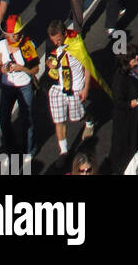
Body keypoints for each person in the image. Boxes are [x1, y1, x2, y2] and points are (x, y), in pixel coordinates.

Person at [45, 19, 91, 165]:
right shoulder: (52, 44)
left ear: (64, 33)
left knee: (77, 116)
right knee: (59, 120)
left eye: (58, 39)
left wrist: (86, 88)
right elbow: (49, 58)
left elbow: (88, 66)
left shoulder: (77, 45)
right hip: (59, 87)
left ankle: (89, 120)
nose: (56, 43)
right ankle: (63, 151)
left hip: (75, 87)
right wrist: (49, 63)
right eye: (53, 40)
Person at [0, 15, 39, 157]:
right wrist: (4, 69)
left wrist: (21, 68)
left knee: (27, 119)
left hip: (24, 86)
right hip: (8, 86)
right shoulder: (1, 46)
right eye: (11, 35)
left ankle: (29, 149)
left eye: (16, 34)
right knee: (4, 120)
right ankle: (11, 150)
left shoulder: (27, 45)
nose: (14, 37)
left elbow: (35, 69)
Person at [110, 44, 138, 175]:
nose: (136, 57)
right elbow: (119, 103)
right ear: (126, 61)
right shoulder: (120, 79)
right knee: (127, 147)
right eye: (133, 57)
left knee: (137, 141)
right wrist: (137, 101)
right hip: (126, 121)